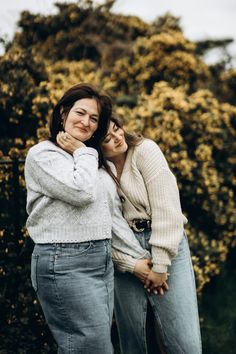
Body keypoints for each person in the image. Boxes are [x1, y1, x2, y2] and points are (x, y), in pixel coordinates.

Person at [24, 84, 150, 354]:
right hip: (64, 262)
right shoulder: (42, 154)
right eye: (80, 113)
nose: (86, 122)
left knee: (86, 346)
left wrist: (138, 258)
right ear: (62, 113)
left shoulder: (90, 161)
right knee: (92, 348)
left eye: (94, 119)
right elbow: (80, 192)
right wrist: (83, 150)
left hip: (101, 261)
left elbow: (110, 214)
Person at [100, 116, 202, 354]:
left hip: (164, 240)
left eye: (117, 129)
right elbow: (103, 228)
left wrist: (160, 265)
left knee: (184, 344)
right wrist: (131, 264)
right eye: (107, 138)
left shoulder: (145, 151)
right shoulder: (97, 172)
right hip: (124, 254)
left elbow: (168, 209)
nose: (118, 137)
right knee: (137, 340)